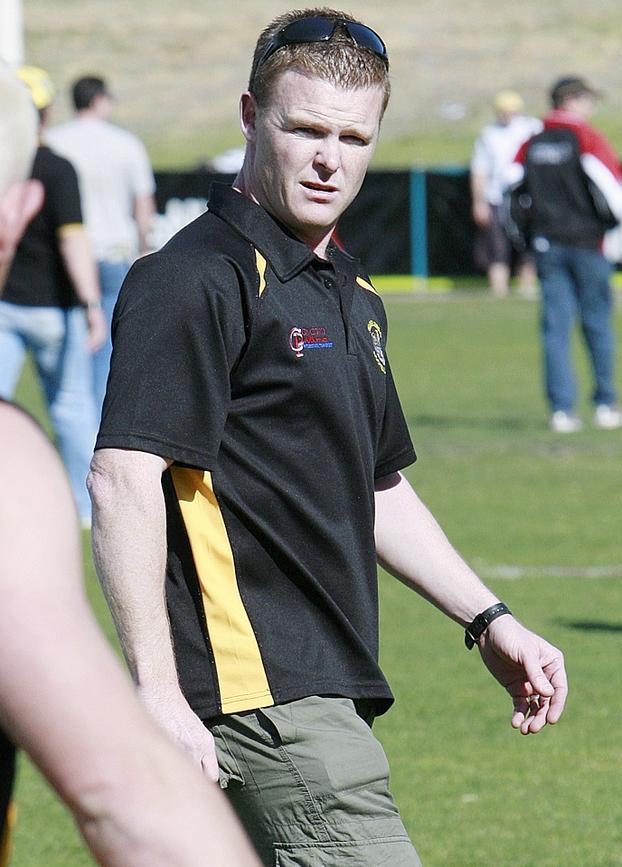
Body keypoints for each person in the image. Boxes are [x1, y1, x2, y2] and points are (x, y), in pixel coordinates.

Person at [88, 10, 568, 866]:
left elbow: (378, 486)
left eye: (353, 136)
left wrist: (489, 618)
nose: (328, 158)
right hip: (262, 699)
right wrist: (157, 691)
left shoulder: (347, 288)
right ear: (249, 116)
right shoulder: (195, 278)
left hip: (326, 690)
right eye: (304, 127)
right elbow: (124, 476)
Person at [0, 65, 260, 867]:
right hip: (88, 279)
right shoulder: (5, 469)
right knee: (77, 411)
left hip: (34, 308)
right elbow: (126, 797)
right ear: (18, 204)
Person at [0, 66, 105, 525]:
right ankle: (85, 511)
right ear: (44, 112)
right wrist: (91, 304)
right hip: (52, 311)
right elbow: (73, 241)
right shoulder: (56, 168)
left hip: (5, 309)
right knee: (71, 409)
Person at [511, 76, 622, 433]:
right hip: (586, 245)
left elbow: (509, 192)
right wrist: (607, 225)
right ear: (573, 100)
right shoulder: (587, 138)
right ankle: (605, 404)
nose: (591, 107)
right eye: (588, 100)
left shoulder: (531, 143)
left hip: (548, 245)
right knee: (596, 324)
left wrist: (526, 239)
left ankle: (562, 411)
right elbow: (616, 192)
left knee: (555, 329)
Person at [47, 75, 156, 418]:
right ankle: (97, 429)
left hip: (63, 257)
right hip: (112, 255)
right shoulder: (125, 144)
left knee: (67, 354)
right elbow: (143, 205)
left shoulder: (54, 142)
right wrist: (144, 246)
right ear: (99, 100)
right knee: (107, 355)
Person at [470, 89, 542, 296]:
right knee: (497, 247)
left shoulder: (532, 128)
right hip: (496, 197)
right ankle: (498, 290)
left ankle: (526, 287)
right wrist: (479, 201)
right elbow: (480, 170)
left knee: (528, 245)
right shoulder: (489, 135)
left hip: (525, 198)